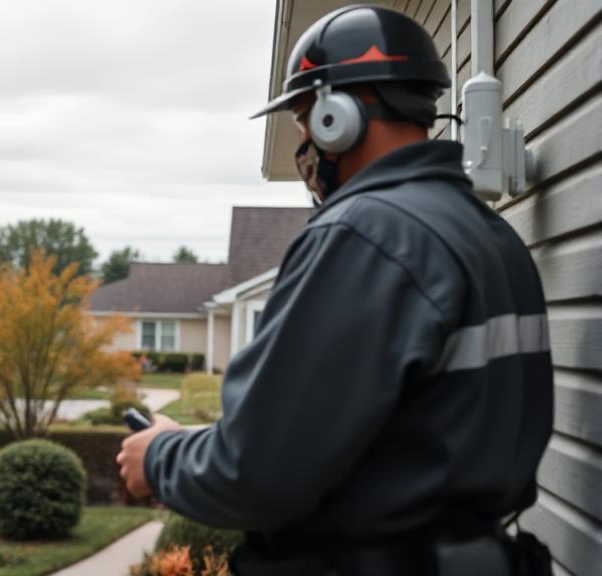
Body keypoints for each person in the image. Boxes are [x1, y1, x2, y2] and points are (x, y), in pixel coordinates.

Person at [116, 6, 555, 575]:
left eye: (302, 118)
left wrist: (160, 458)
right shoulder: (490, 235)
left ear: (335, 116)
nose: (303, 142)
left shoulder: (363, 235)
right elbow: (379, 429)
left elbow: (257, 474)